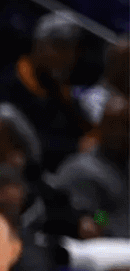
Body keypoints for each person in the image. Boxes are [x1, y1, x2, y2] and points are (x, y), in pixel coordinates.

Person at [0, 12, 88, 171]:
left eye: (73, 49)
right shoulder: (10, 83)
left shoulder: (59, 89)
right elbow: (20, 141)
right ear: (38, 44)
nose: (68, 56)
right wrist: (77, 147)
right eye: (60, 47)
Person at [48, 94, 128, 238]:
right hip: (106, 248)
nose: (121, 133)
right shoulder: (81, 168)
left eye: (127, 126)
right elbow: (90, 213)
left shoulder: (125, 165)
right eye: (114, 125)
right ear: (100, 127)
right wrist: (107, 218)